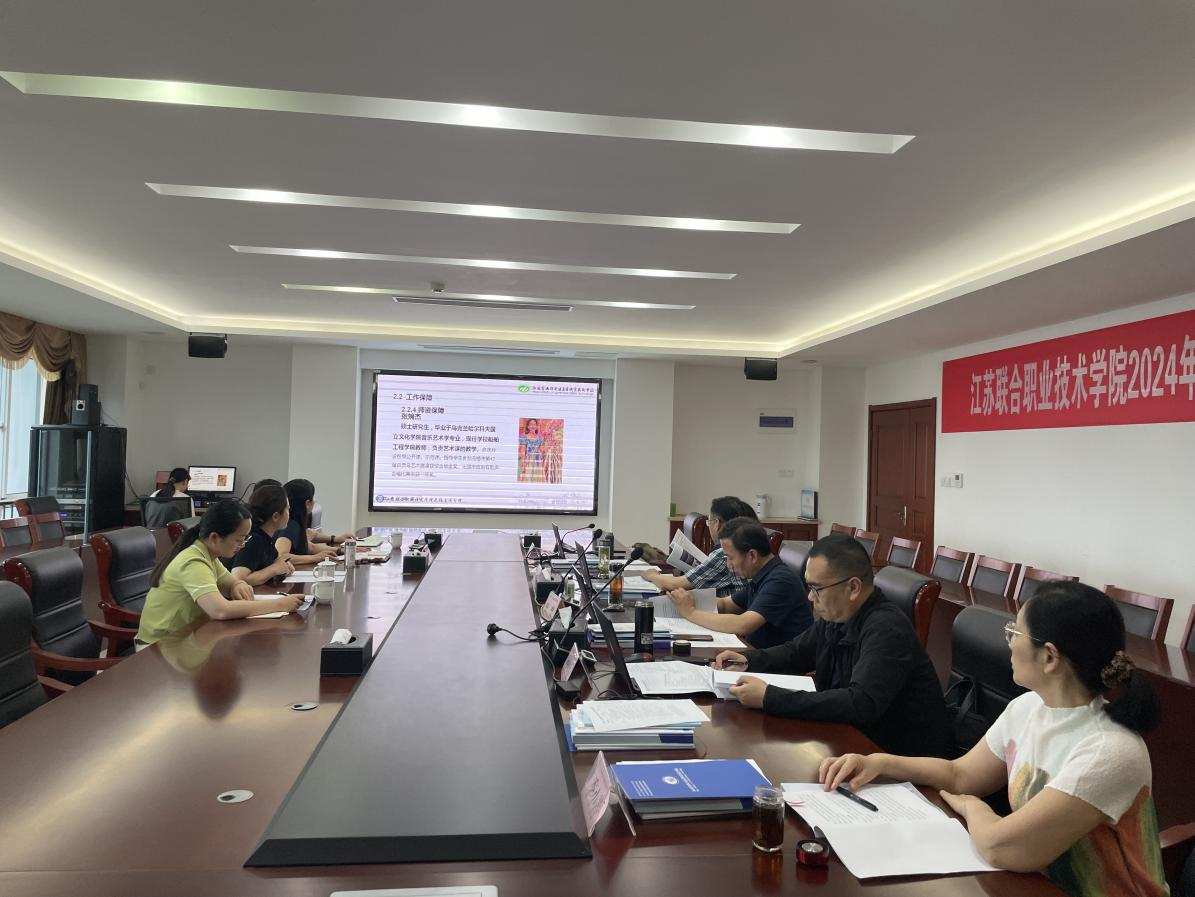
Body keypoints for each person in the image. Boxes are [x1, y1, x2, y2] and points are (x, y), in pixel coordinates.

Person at [819, 582, 1166, 896]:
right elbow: (961, 775)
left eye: (1015, 632)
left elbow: (1000, 847)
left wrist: (973, 807)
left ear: (1049, 657)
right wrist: (880, 762)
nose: (1009, 641)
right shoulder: (1027, 708)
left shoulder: (1109, 751)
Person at [716, 533, 950, 757]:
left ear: (853, 588)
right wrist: (747, 660)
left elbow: (859, 703)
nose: (810, 597)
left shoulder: (887, 629)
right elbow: (796, 652)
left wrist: (770, 697)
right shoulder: (839, 616)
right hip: (851, 741)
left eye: (817, 588)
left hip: (896, 758)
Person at [135, 500, 301, 646]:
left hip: (187, 638)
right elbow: (220, 610)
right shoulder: (193, 561)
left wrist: (238, 585)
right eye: (239, 539)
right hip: (159, 647)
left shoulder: (209, 556)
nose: (242, 545)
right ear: (215, 537)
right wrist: (279, 605)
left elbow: (231, 582)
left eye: (245, 539)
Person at [668, 517, 812, 649]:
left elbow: (743, 624)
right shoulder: (763, 574)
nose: (728, 564)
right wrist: (686, 599)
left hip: (779, 664)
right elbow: (726, 605)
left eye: (730, 557)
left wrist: (691, 612)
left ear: (752, 555)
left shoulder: (780, 581)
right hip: (758, 654)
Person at [641, 497, 756, 596]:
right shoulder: (747, 546)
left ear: (717, 524)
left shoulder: (723, 553)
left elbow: (674, 585)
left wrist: (653, 575)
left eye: (709, 522)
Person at [224, 484, 296, 586]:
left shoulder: (266, 538)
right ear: (275, 516)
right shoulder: (254, 539)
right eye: (287, 509)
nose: (289, 513)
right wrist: (274, 569)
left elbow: (276, 561)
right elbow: (239, 579)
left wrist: (283, 565)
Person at [274, 479, 353, 565]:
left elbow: (309, 547)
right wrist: (315, 558)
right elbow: (282, 556)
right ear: (307, 503)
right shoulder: (290, 525)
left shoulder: (296, 522)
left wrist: (342, 551)